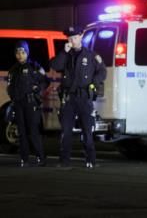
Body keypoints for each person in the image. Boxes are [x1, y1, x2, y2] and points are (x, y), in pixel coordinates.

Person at [50, 26, 107, 168]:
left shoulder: (91, 55)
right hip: (68, 97)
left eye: (74, 37)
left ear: (81, 36)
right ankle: (64, 161)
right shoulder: (66, 55)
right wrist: (64, 51)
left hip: (84, 96)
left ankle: (91, 160)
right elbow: (55, 65)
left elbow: (102, 71)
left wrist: (93, 83)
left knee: (87, 130)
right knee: (66, 130)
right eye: (69, 38)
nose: (72, 40)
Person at [7, 40, 48, 167]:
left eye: (22, 52)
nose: (20, 55)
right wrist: (12, 97)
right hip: (18, 104)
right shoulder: (13, 70)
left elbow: (45, 81)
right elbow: (10, 87)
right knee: (22, 132)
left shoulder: (34, 67)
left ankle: (40, 157)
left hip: (31, 103)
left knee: (33, 131)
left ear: (27, 53)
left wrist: (37, 89)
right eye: (18, 52)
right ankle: (24, 158)